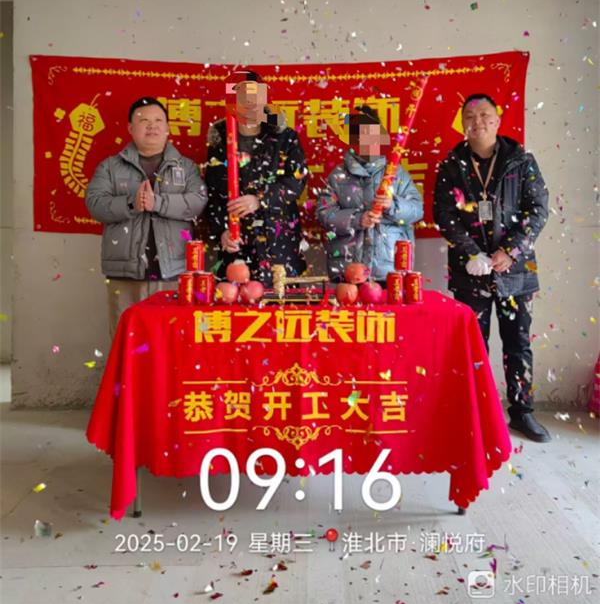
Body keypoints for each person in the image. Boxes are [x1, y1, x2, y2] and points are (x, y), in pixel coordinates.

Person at [433, 93, 550, 442]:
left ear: (497, 121)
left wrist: (509, 252)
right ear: (462, 124)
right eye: (470, 117)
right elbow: (444, 214)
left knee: (518, 344)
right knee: (473, 346)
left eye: (485, 115)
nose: (478, 122)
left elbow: (537, 210)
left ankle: (522, 413)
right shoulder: (451, 166)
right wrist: (472, 254)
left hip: (516, 271)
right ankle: (478, 413)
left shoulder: (521, 161)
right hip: (470, 272)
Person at [86, 97, 207, 337]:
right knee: (125, 342)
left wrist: (157, 203)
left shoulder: (186, 167)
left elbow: (198, 202)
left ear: (168, 127)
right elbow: (95, 204)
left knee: (170, 342)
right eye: (144, 121)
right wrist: (132, 203)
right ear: (130, 128)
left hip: (173, 274)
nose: (152, 126)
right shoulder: (110, 167)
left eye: (158, 120)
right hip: (125, 276)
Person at [204, 70, 307, 285]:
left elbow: (296, 182)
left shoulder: (285, 138)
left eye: (255, 96)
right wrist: (222, 231)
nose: (250, 102)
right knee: (235, 300)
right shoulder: (220, 141)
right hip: (237, 244)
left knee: (280, 300)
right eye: (243, 96)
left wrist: (260, 199)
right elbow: (212, 194)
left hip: (278, 241)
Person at [316, 105, 423, 284]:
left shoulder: (397, 174)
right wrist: (357, 220)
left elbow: (417, 210)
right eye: (362, 134)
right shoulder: (338, 176)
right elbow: (324, 214)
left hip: (390, 269)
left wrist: (393, 205)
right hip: (347, 268)